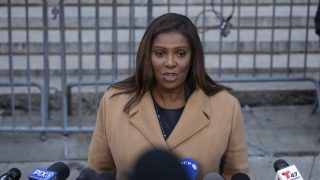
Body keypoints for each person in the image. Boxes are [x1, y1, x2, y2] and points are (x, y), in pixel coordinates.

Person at [88, 13, 249, 180]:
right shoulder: (114, 102)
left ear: (193, 57)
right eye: (160, 53)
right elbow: (99, 171)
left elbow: (236, 174)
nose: (170, 63)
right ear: (148, 56)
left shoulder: (226, 106)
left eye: (180, 53)